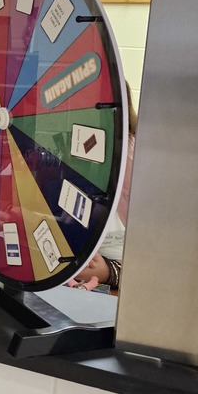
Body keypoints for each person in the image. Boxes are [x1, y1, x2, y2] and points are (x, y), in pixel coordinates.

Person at [71, 80, 137, 293]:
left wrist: (109, 271)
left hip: (118, 270)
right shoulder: (79, 152)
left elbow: (154, 261)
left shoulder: (136, 156)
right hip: (85, 263)